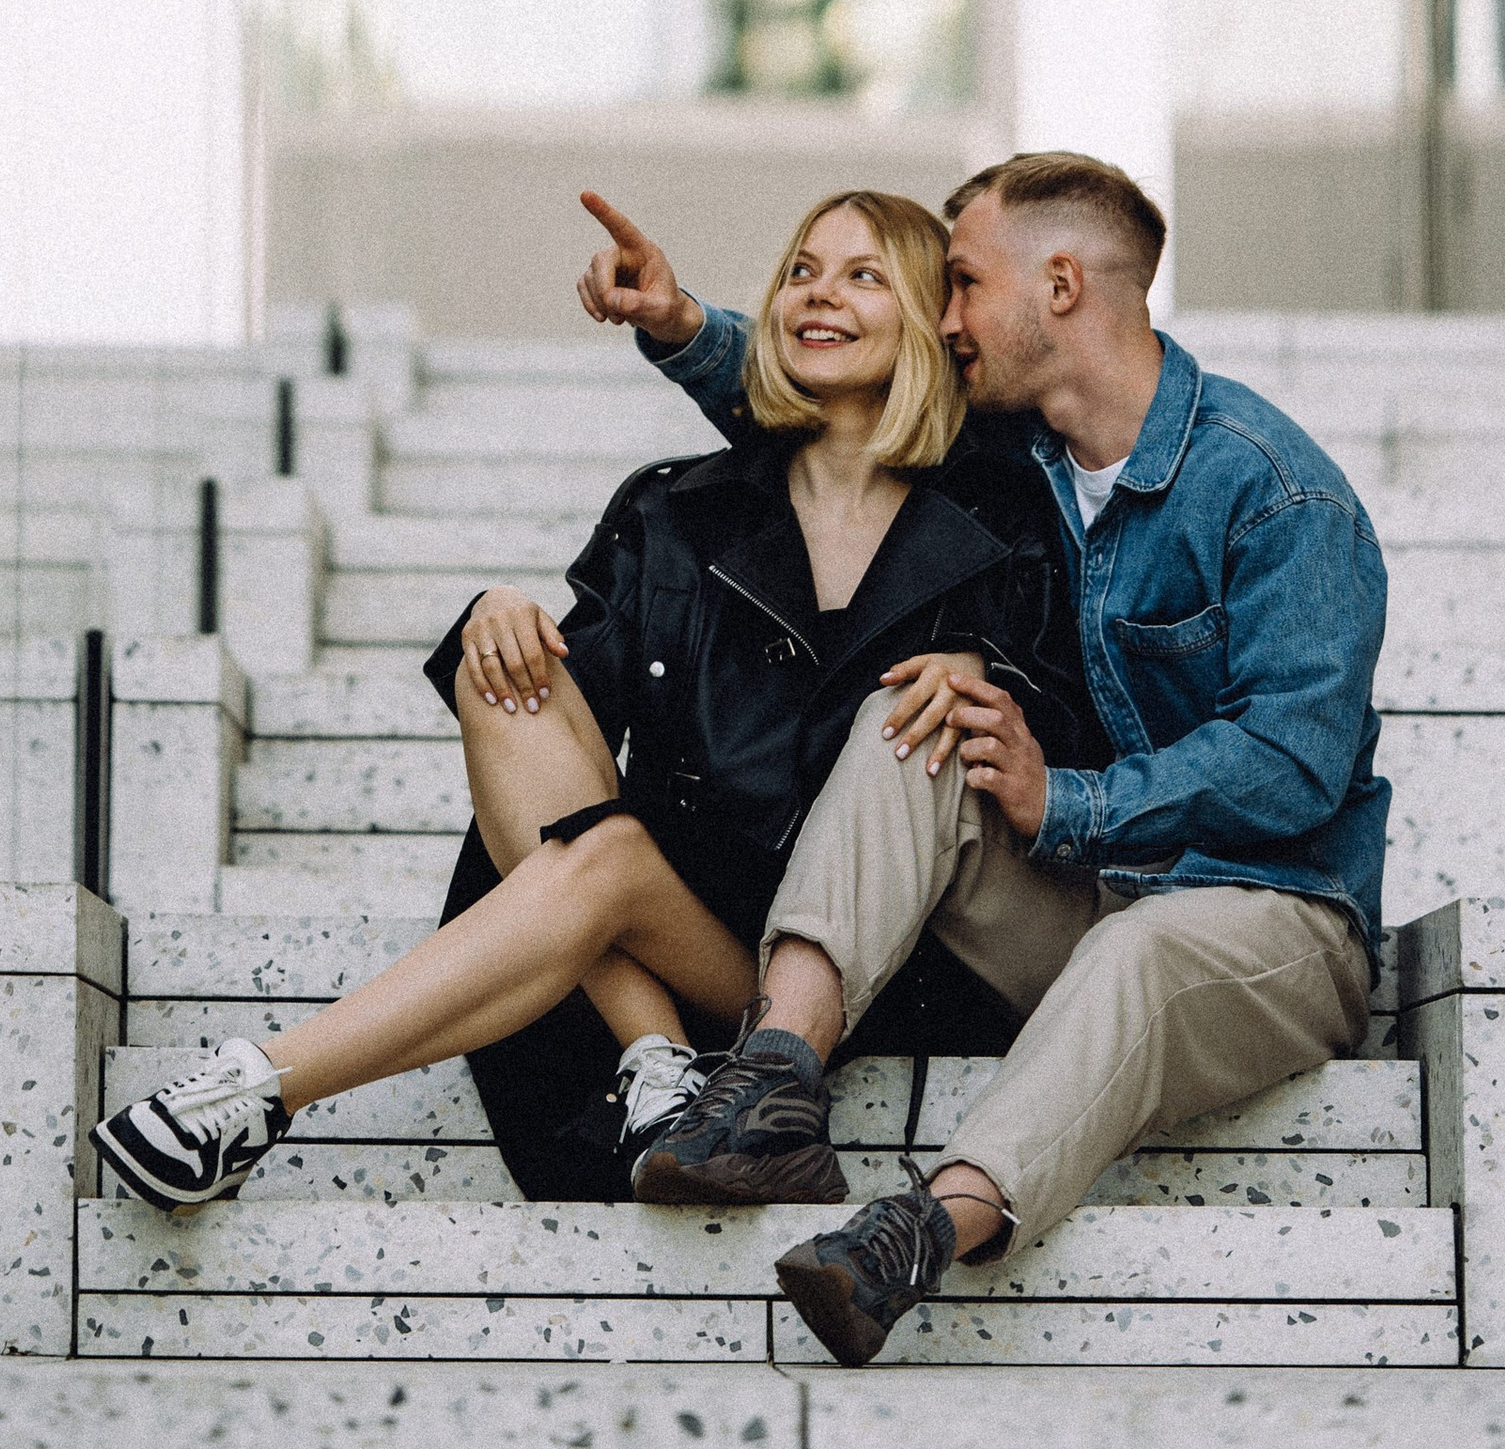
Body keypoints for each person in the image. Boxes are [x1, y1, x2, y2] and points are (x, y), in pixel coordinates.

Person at [92, 189, 1101, 1214]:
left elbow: (1066, 736)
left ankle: (266, 1080)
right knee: (507, 671)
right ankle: (653, 1055)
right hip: (694, 931)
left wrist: (989, 678)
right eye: (800, 269)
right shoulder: (673, 505)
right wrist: (497, 614)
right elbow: (551, 745)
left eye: (862, 274)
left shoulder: (1010, 516)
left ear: (933, 318)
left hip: (875, 965)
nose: (816, 294)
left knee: (607, 861)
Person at [577, 154, 1389, 1366]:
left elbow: (1292, 762)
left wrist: (1066, 795)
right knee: (919, 709)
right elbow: (836, 398)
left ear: (1058, 284)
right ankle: (773, 1083)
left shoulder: (1273, 493)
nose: (942, 317)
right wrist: (683, 323)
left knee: (1146, 945)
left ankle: (921, 1224)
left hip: (1273, 922)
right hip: (1094, 888)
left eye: (960, 282)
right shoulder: (1027, 456)